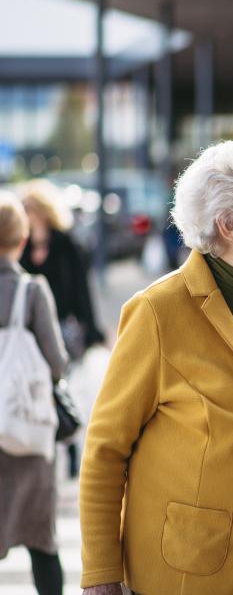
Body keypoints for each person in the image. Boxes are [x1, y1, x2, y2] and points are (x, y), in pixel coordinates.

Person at [79, 139, 233, 595]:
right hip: (191, 572)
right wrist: (101, 574)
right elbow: (105, 450)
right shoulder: (158, 311)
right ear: (228, 225)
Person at [0, 192, 69, 595]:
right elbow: (56, 363)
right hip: (27, 434)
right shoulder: (32, 292)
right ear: (22, 239)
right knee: (42, 542)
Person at [20, 181, 106, 478]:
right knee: (37, 385)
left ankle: (68, 445)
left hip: (64, 328)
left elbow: (82, 288)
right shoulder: (24, 245)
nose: (27, 215)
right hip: (31, 329)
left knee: (61, 386)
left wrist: (92, 327)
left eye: (30, 209)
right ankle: (44, 440)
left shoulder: (65, 242)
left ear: (43, 211)